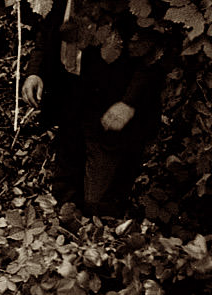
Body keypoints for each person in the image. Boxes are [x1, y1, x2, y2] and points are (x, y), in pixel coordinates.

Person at [21, 0, 171, 218]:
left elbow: (153, 54)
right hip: (70, 96)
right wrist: (35, 72)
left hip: (111, 105)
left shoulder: (128, 6)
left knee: (100, 204)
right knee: (66, 191)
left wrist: (129, 102)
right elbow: (48, 32)